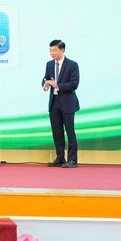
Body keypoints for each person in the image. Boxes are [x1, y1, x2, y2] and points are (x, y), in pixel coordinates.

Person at [42, 39, 80, 168]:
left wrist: (57, 85)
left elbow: (74, 84)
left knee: (70, 131)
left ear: (62, 50)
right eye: (50, 50)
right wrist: (46, 85)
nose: (52, 53)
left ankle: (72, 159)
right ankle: (60, 157)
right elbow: (46, 79)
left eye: (54, 50)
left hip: (68, 102)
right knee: (57, 132)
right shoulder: (49, 64)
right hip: (54, 102)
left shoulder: (72, 65)